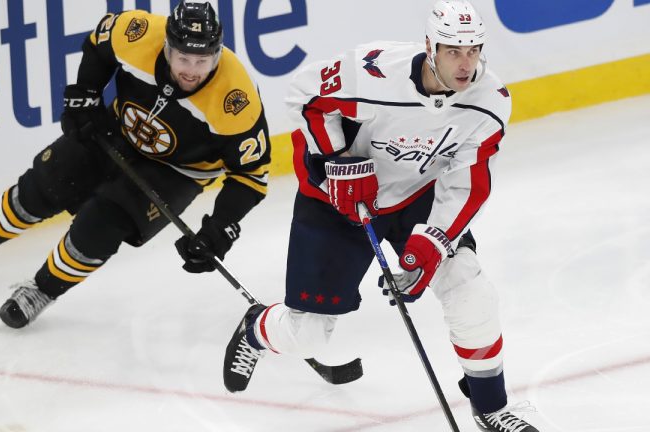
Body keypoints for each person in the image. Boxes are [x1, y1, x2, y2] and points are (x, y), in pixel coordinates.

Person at [222, 1, 539, 431]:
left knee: (469, 287)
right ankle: (257, 328)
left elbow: (469, 183)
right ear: (430, 47)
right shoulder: (373, 70)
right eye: (453, 51)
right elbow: (304, 95)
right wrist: (338, 158)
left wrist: (432, 244)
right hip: (337, 200)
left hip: (416, 194)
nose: (466, 64)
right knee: (309, 335)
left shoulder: (489, 103)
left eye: (473, 51)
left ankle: (491, 406)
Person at [0, 1, 271, 329]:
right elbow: (100, 44)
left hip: (177, 171)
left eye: (202, 61)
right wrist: (85, 94)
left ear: (217, 54)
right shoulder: (138, 31)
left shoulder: (236, 101)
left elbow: (252, 177)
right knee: (39, 191)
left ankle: (42, 290)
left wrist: (220, 228)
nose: (191, 71)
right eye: (183, 59)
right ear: (166, 46)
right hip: (115, 130)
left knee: (99, 230)